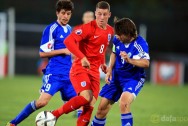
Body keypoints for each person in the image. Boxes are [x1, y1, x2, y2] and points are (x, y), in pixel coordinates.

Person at [6, 0, 76, 126]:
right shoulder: (51, 29)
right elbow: (43, 53)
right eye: (63, 13)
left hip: (69, 74)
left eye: (68, 14)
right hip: (55, 73)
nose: (66, 16)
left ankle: (52, 115)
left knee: (80, 102)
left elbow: (70, 50)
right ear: (57, 13)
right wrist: (63, 51)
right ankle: (13, 123)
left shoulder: (69, 29)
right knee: (41, 102)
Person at [51, 1, 114, 126]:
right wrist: (82, 57)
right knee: (86, 97)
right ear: (95, 13)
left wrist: (102, 63)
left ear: (109, 15)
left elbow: (101, 49)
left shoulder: (110, 31)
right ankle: (54, 114)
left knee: (89, 105)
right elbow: (68, 41)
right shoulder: (87, 28)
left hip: (95, 71)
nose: (101, 17)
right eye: (99, 14)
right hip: (80, 68)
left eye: (104, 14)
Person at [91, 17, 150, 126]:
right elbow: (114, 53)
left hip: (133, 78)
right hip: (116, 77)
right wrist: (109, 70)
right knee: (101, 109)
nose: (116, 36)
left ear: (127, 34)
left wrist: (130, 60)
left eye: (119, 34)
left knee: (124, 103)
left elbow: (146, 63)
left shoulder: (140, 44)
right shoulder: (117, 40)